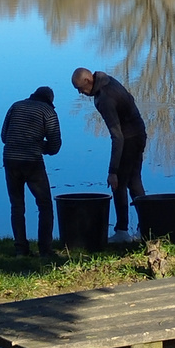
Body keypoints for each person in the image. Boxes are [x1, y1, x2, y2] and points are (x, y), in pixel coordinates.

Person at [71, 67, 146, 244]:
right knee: (134, 181)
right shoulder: (107, 80)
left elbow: (117, 136)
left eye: (80, 88)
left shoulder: (104, 98)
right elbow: (131, 99)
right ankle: (146, 226)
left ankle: (122, 231)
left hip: (129, 139)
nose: (81, 93)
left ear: (88, 81)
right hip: (139, 133)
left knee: (118, 184)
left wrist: (112, 171)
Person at [1, 85, 61, 257]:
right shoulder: (48, 112)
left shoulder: (16, 106)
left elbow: (4, 136)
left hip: (10, 159)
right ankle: (45, 250)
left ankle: (21, 249)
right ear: (50, 100)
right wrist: (43, 147)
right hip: (32, 162)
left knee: (17, 206)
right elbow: (55, 144)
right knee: (45, 205)